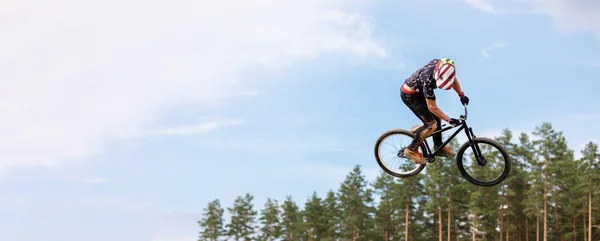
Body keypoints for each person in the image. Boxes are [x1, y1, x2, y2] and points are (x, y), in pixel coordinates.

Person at [400, 58, 469, 165]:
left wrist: (461, 95)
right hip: (410, 96)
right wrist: (449, 120)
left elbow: (453, 79)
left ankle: (438, 146)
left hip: (419, 92)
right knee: (431, 125)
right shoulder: (427, 79)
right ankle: (411, 150)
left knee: (437, 118)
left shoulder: (444, 67)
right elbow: (432, 107)